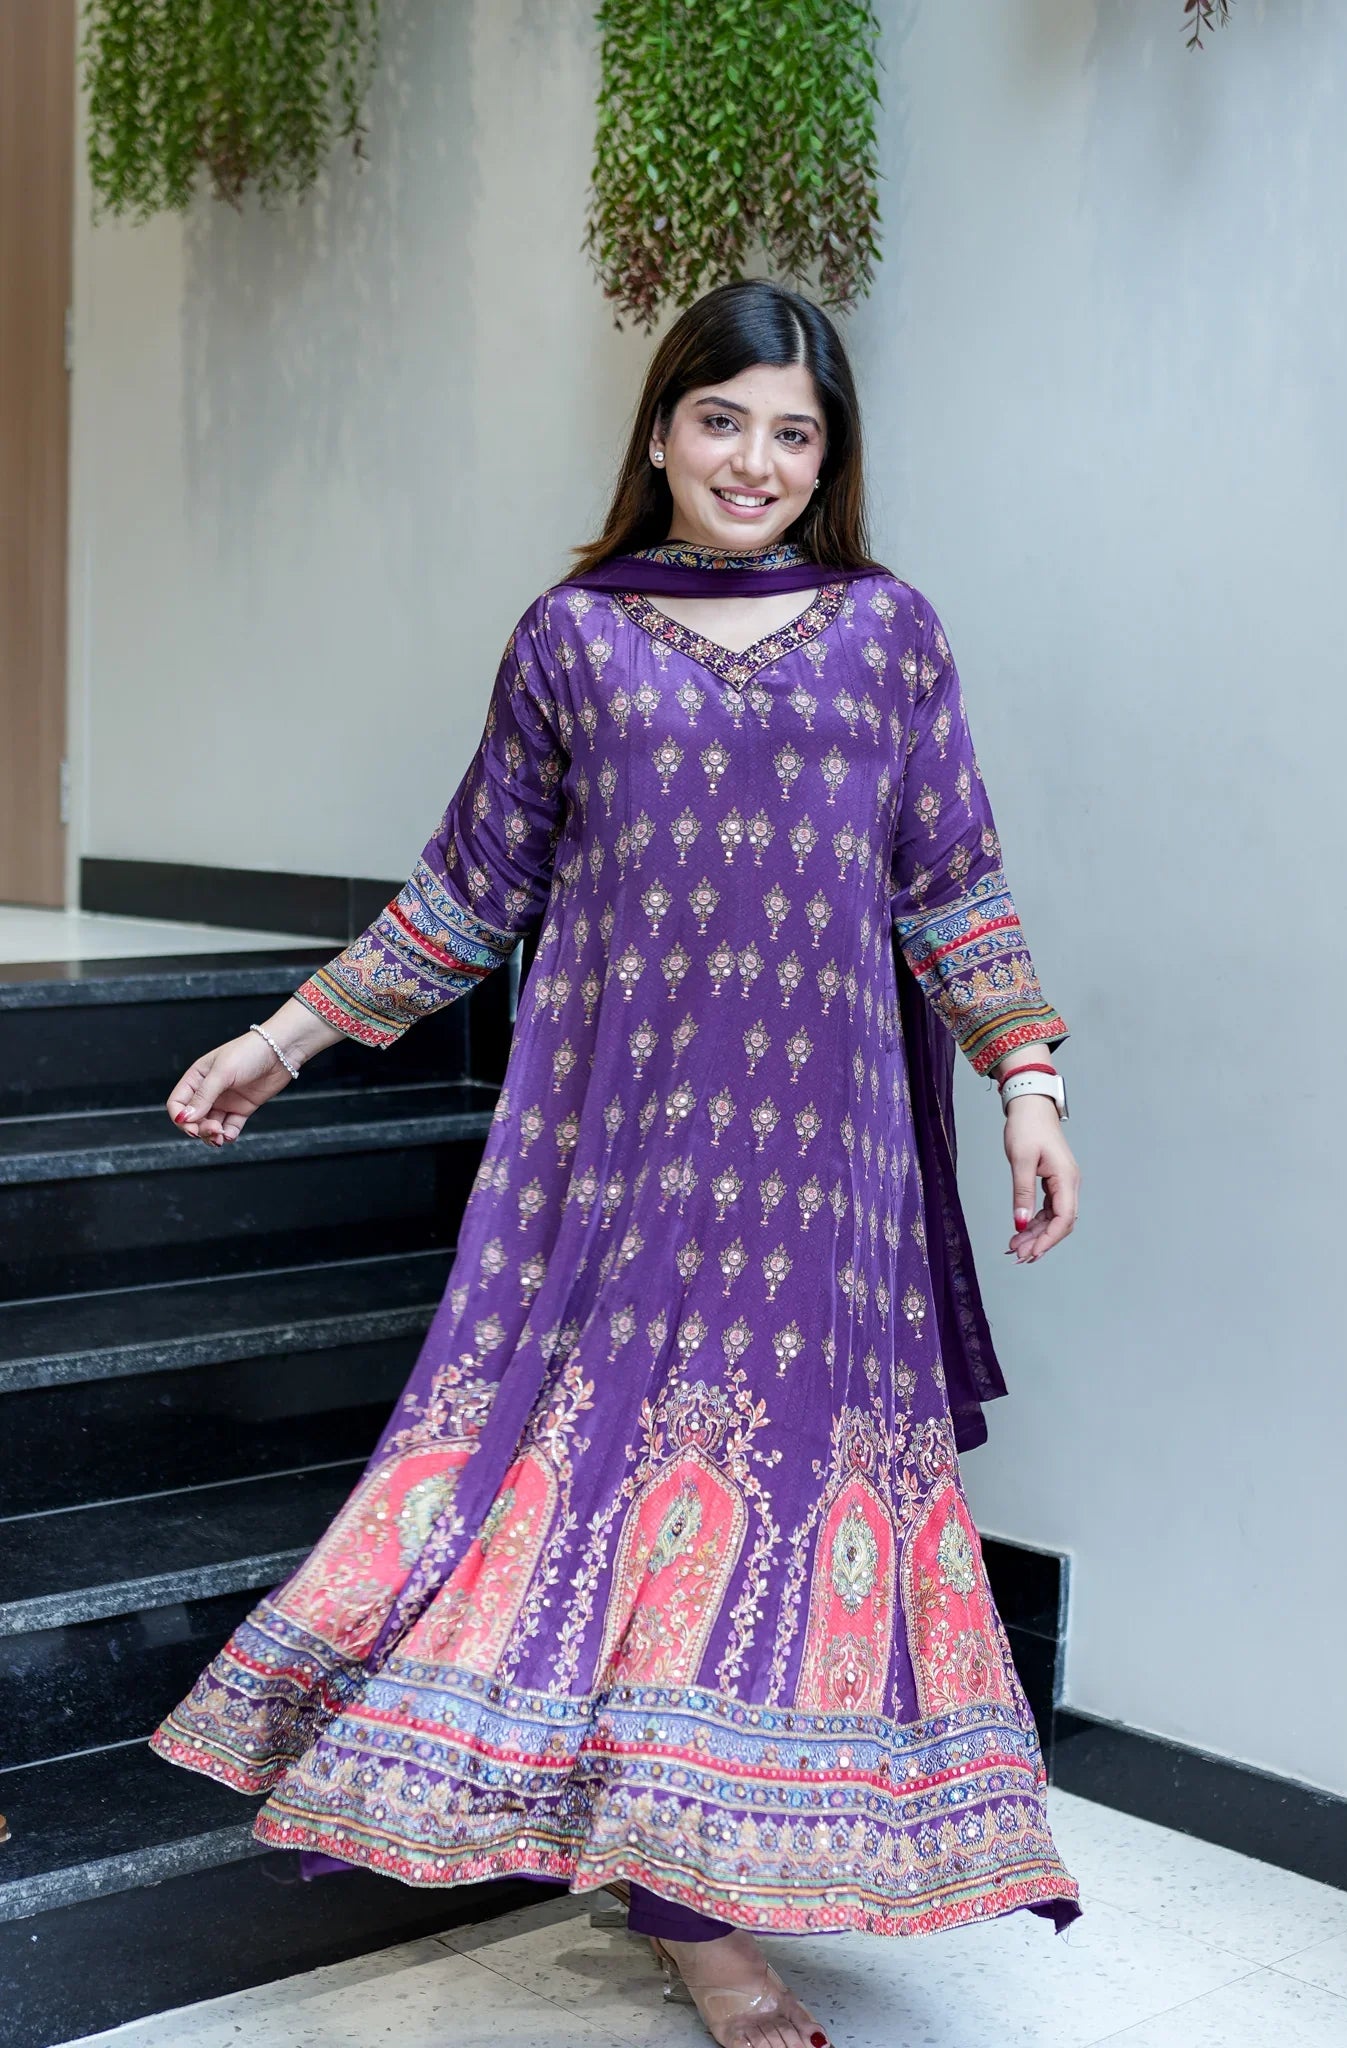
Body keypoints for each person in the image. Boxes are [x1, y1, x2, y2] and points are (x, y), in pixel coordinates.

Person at [153, 277, 1082, 2048]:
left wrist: (1026, 1082)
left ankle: (699, 1875)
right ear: (658, 431)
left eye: (793, 434)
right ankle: (690, 1921)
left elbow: (949, 876)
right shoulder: (572, 639)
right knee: (620, 1498)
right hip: (622, 1158)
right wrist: (281, 1041)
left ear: (829, 460)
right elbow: (469, 890)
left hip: (824, 1177)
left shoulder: (888, 633)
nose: (754, 461)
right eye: (721, 419)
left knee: (774, 1508)